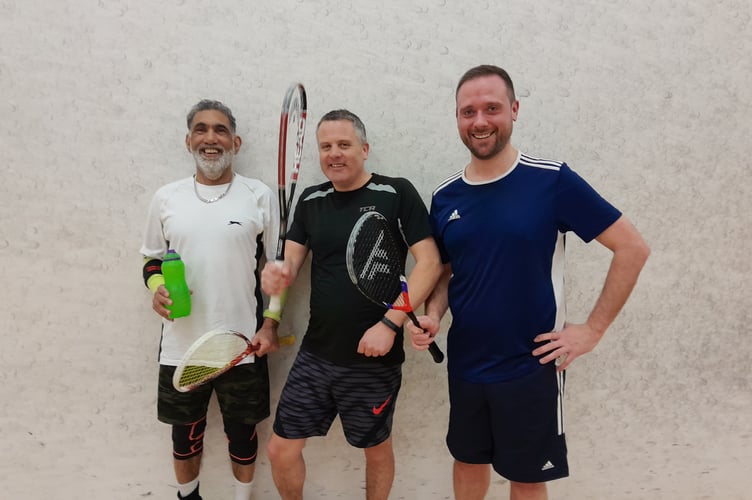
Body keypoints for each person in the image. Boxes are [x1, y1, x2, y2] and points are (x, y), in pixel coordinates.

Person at [407, 65, 651, 500]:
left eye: (492, 108)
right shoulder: (445, 196)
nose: (479, 121)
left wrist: (592, 330)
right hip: (466, 364)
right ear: (458, 118)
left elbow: (632, 248)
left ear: (514, 110)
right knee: (467, 462)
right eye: (468, 112)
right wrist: (432, 315)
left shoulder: (551, 180)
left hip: (529, 366)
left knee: (526, 478)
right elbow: (447, 271)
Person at [260, 109, 442, 500]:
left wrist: (390, 325)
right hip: (316, 356)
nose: (334, 154)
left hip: (373, 361)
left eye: (344, 144)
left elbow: (429, 263)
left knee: (375, 451)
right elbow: (288, 266)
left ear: (364, 148)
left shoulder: (396, 193)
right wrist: (274, 277)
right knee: (280, 450)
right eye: (326, 146)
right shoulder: (311, 200)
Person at [140, 99, 281, 500]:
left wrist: (270, 323)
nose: (210, 138)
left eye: (220, 130)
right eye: (201, 130)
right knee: (184, 438)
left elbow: (276, 267)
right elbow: (151, 259)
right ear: (188, 141)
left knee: (242, 434)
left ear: (235, 141)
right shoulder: (167, 197)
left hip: (242, 343)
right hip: (182, 345)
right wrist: (157, 290)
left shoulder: (257, 195)